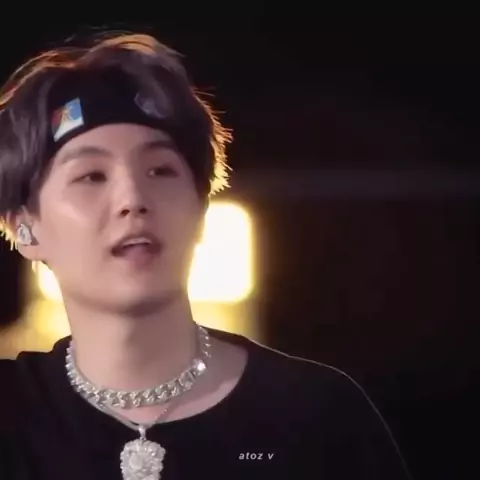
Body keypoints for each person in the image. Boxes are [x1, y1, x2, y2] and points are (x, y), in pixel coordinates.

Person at [0, 31, 413, 480]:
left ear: (200, 210)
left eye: (160, 170)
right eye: (91, 176)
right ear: (25, 227)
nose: (133, 199)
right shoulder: (13, 414)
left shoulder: (317, 416)